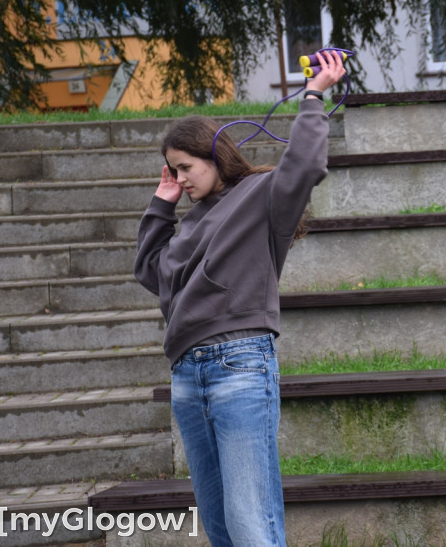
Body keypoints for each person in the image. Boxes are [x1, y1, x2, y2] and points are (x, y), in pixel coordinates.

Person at [134, 50, 346, 546]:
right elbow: (151, 270)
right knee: (220, 524)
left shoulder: (262, 196)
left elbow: (306, 164)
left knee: (251, 524)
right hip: (187, 374)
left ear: (213, 155)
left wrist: (314, 96)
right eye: (172, 171)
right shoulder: (189, 225)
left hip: (239, 366)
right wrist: (161, 205)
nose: (180, 179)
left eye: (185, 168)